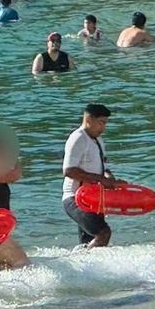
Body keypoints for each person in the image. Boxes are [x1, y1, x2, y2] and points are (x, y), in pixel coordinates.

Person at [62, 104, 126, 247]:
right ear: (89, 119)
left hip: (93, 200)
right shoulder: (78, 138)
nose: (103, 128)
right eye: (101, 123)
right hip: (75, 199)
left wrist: (111, 180)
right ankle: (90, 266)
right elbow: (68, 171)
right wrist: (102, 180)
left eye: (105, 124)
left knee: (87, 242)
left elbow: (104, 168)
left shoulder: (98, 140)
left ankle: (83, 266)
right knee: (103, 233)